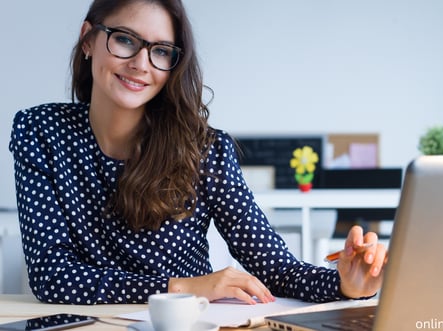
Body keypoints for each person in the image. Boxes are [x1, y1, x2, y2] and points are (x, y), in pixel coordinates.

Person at [9, 0, 387, 305]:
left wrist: (348, 285)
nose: (141, 64)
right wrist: (184, 287)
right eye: (125, 39)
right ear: (88, 39)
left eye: (161, 51)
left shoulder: (204, 150)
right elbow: (52, 275)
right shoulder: (40, 132)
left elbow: (276, 269)